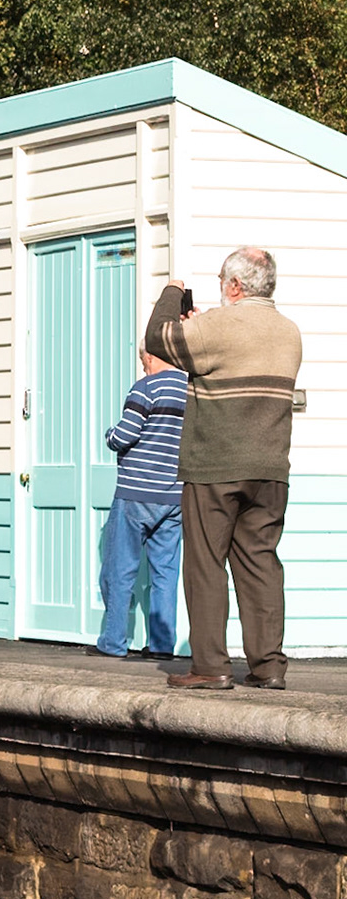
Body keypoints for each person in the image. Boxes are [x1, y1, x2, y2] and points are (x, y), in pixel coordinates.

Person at [144, 247, 303, 690]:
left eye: (221, 280)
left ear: (235, 286)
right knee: (260, 563)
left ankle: (210, 666)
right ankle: (269, 667)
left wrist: (172, 293)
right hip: (270, 468)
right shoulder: (289, 332)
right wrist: (201, 326)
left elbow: (157, 338)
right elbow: (225, 352)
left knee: (206, 564)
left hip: (215, 465)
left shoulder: (218, 325)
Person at [92, 351, 187, 659]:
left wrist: (109, 436)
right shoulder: (191, 388)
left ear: (149, 356)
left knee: (120, 569)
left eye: (141, 359)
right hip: (174, 495)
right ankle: (161, 646)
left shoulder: (145, 388)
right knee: (165, 572)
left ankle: (114, 643)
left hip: (136, 492)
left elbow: (126, 434)